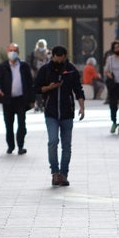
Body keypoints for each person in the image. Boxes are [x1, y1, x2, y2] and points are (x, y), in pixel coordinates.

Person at [34, 46, 85, 187]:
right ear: (53, 56)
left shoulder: (71, 69)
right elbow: (37, 88)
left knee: (66, 145)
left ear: (65, 56)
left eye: (61, 57)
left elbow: (78, 90)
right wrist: (50, 88)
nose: (59, 59)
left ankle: (64, 173)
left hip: (67, 113)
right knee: (53, 141)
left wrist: (82, 107)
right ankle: (55, 172)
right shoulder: (45, 69)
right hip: (51, 112)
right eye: (56, 57)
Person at [0, 43, 35, 155]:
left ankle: (21, 146)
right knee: (9, 124)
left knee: (21, 124)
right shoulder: (2, 67)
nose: (12, 52)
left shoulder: (24, 66)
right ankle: (10, 146)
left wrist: (32, 100)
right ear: (7, 52)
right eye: (10, 50)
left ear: (18, 52)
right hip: (7, 100)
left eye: (15, 50)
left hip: (21, 100)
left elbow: (30, 83)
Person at [29, 39, 51, 112]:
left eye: (42, 45)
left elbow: (50, 63)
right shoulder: (34, 53)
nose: (41, 47)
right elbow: (31, 63)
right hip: (36, 73)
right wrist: (35, 69)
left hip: (46, 74)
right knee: (37, 90)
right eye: (40, 45)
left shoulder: (48, 53)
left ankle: (43, 104)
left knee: (45, 89)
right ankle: (38, 104)